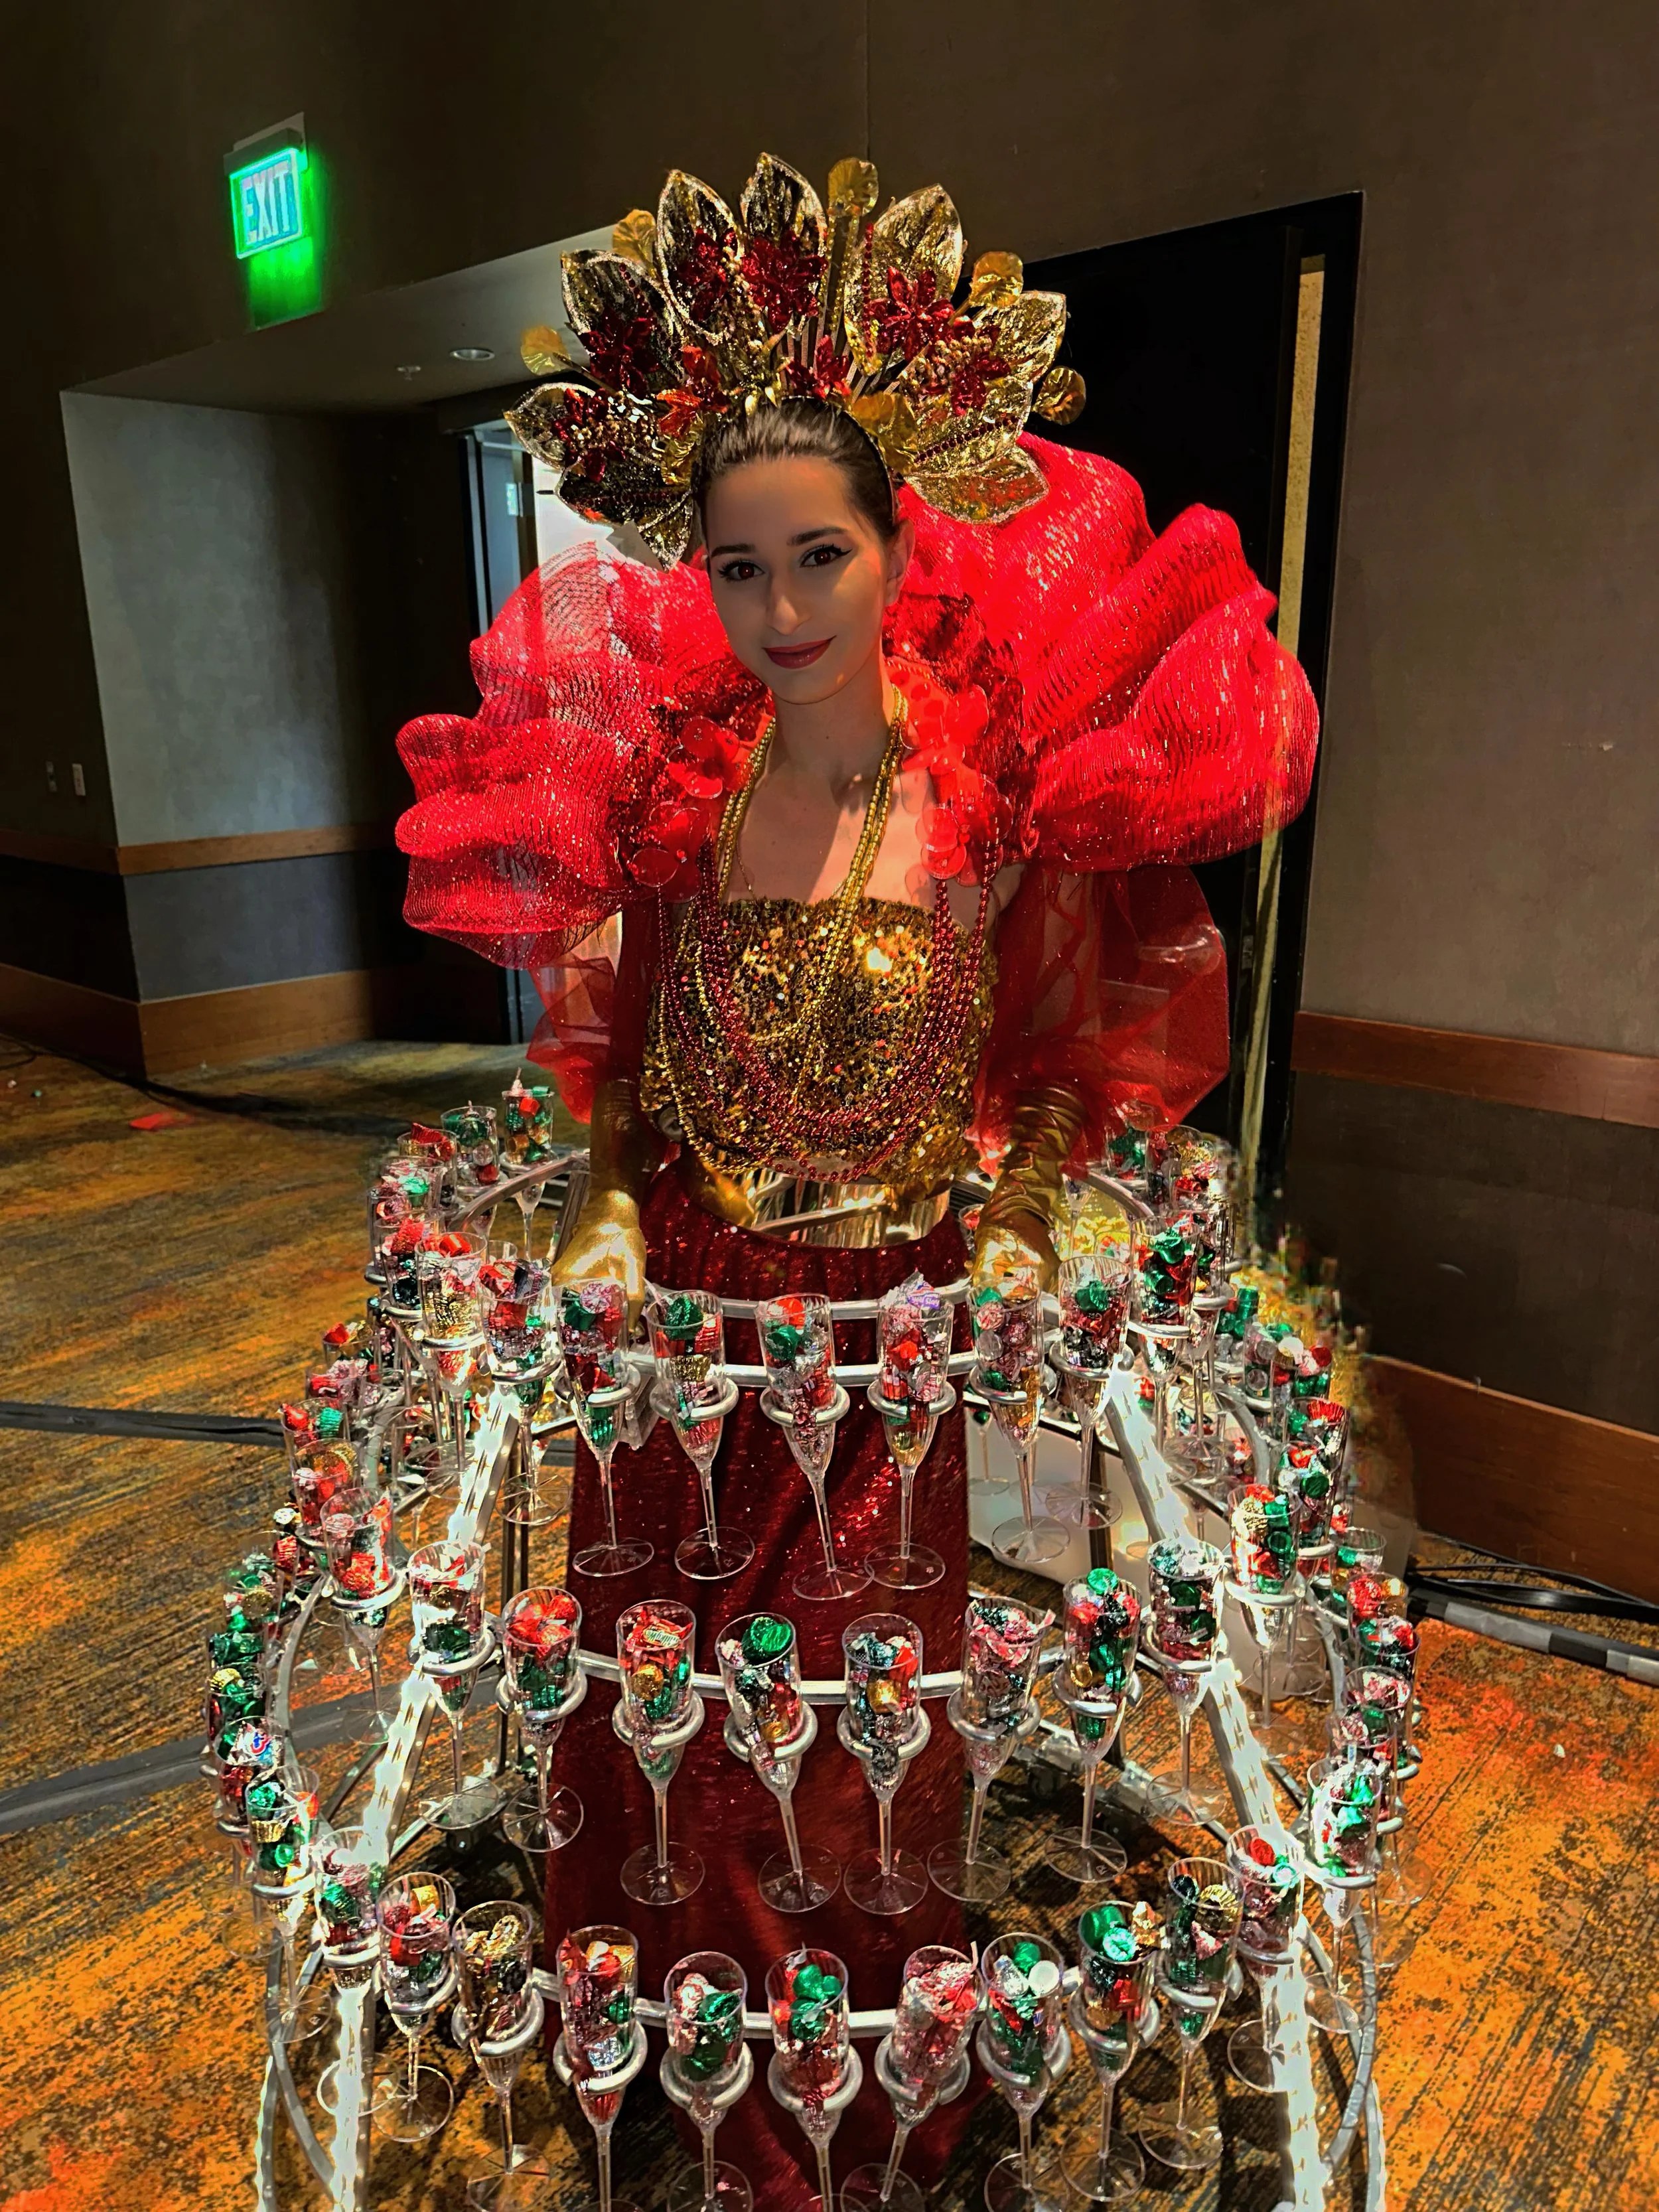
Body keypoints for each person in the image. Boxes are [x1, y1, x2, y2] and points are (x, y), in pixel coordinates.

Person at [396, 150, 1318, 2205]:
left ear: (898, 547)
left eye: (818, 556)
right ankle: (664, 2064)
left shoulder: (996, 794)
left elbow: (1084, 1066)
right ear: (692, 574)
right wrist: (614, 1205)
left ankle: (838, 2084)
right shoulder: (661, 792)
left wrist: (1000, 1234)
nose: (781, 609)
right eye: (737, 568)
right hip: (675, 1345)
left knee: (840, 1727)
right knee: (653, 1704)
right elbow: (608, 1059)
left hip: (884, 1339)